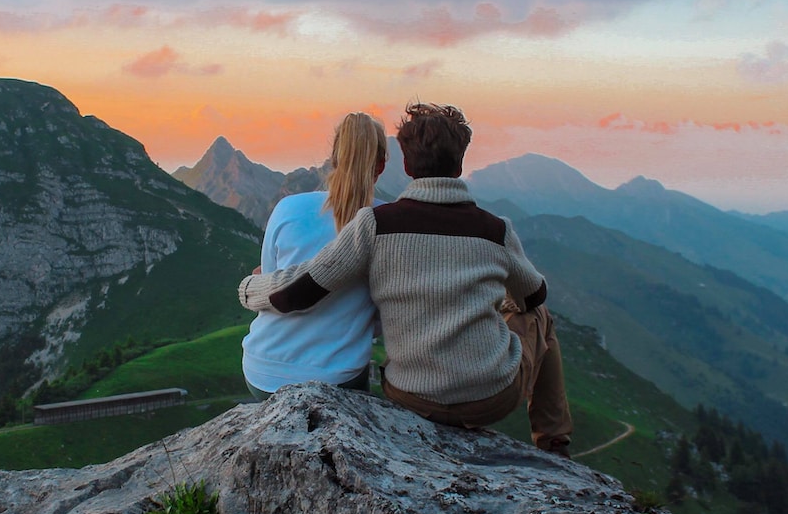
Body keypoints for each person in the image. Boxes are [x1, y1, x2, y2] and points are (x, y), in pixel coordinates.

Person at [237, 102, 573, 455]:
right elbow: (535, 295)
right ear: (460, 163)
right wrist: (499, 301)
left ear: (408, 165)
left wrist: (249, 286)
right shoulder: (496, 229)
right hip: (489, 399)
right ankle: (555, 443)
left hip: (410, 395)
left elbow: (302, 290)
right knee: (541, 318)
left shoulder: (376, 224)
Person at [241, 113, 386, 400]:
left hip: (263, 371)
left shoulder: (288, 208)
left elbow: (271, 282)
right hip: (337, 376)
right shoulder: (388, 221)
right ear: (381, 165)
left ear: (333, 158)